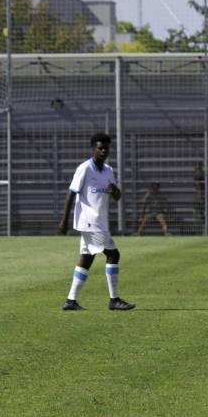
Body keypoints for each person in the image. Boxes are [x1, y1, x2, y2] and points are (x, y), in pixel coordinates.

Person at [58, 132, 135, 311]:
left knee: (87, 258)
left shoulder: (109, 170)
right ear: (93, 149)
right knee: (113, 254)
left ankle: (70, 301)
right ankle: (114, 299)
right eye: (100, 148)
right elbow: (71, 193)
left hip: (100, 222)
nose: (103, 151)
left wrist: (114, 189)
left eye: (106, 148)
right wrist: (64, 220)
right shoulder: (84, 168)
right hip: (90, 221)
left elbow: (117, 196)